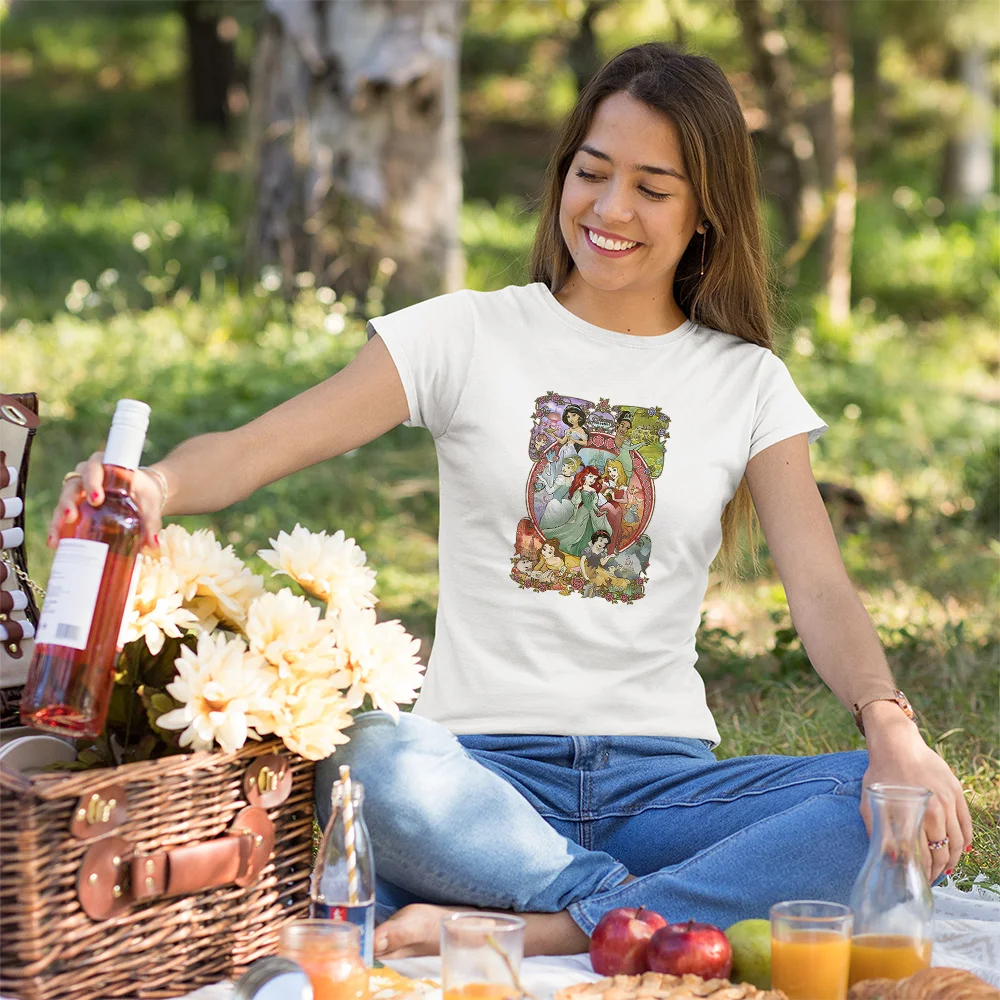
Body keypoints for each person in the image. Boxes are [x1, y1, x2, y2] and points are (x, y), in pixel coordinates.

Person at [54, 42, 971, 961]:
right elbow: (258, 447)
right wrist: (155, 485)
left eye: (652, 189)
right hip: (475, 784)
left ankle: (548, 923)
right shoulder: (465, 334)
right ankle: (633, 911)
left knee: (883, 806)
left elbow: (820, 588)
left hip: (663, 792)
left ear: (706, 213)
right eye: (592, 173)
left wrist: (892, 729)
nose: (610, 209)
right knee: (367, 758)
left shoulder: (747, 382)